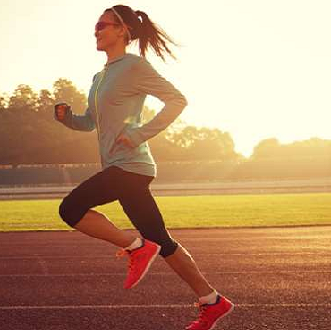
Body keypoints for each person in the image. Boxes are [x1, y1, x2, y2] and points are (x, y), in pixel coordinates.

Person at [53, 5, 233, 330]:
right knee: (161, 241)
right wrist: (68, 120)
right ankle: (212, 301)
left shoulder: (134, 66)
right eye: (95, 26)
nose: (97, 30)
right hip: (121, 167)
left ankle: (135, 247)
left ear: (122, 30)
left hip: (131, 166)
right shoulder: (100, 77)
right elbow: (90, 122)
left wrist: (138, 133)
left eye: (102, 25)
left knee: (71, 208)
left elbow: (177, 100)